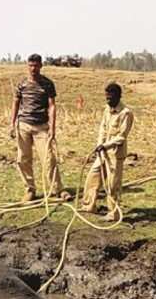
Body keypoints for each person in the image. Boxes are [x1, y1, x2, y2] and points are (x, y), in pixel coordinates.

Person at [9, 53, 71, 202]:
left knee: (49, 159)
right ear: (27, 66)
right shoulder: (22, 84)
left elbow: (52, 106)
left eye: (36, 65)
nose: (33, 68)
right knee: (23, 159)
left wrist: (53, 129)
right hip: (23, 125)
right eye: (30, 65)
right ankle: (30, 190)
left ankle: (58, 189)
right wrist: (12, 124)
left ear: (41, 66)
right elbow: (15, 103)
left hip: (41, 127)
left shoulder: (47, 84)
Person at [80, 82, 134, 221]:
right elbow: (102, 129)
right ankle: (89, 205)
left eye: (110, 98)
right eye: (106, 97)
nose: (108, 100)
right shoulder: (106, 109)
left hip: (115, 154)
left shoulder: (126, 113)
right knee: (92, 177)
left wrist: (106, 145)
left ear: (118, 96)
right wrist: (99, 145)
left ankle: (113, 213)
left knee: (112, 185)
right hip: (102, 152)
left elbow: (122, 136)